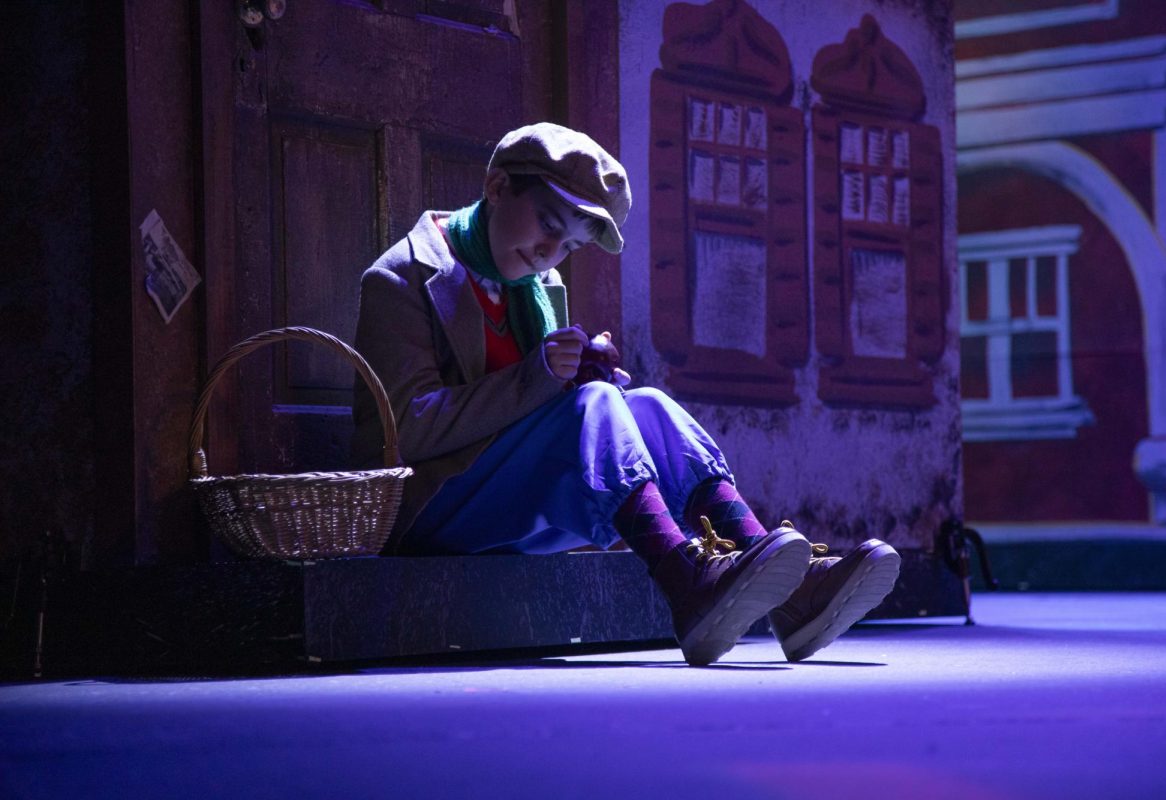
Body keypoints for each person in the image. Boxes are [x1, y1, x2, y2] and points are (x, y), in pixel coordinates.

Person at [351, 122, 900, 666]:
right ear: (497, 188)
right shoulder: (400, 278)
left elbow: (544, 411)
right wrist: (544, 380)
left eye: (568, 245)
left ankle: (792, 589)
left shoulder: (541, 286)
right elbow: (406, 431)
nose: (548, 253)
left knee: (648, 406)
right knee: (596, 406)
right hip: (433, 509)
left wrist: (581, 377)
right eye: (547, 225)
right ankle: (685, 579)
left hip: (516, 498)